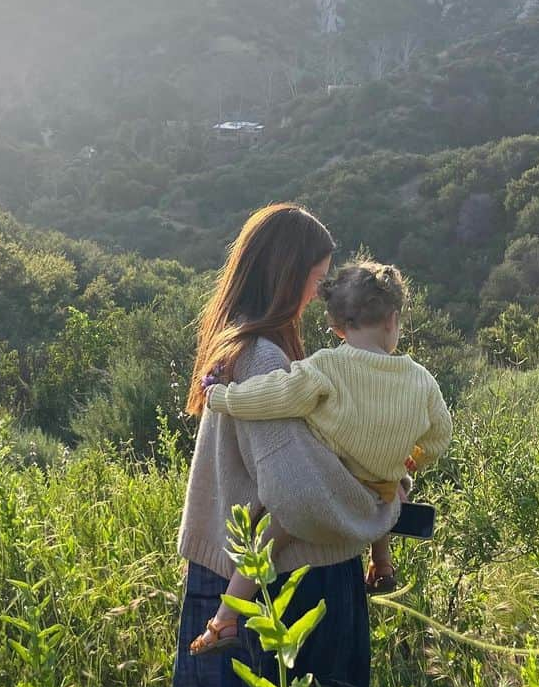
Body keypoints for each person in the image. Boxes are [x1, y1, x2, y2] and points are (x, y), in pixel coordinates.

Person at [170, 204, 399, 687]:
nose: (320, 295)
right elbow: (296, 495)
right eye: (316, 279)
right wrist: (382, 505)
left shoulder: (238, 344)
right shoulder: (265, 356)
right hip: (285, 587)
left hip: (226, 574)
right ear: (286, 272)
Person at [190, 259, 452, 657]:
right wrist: (410, 461)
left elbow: (276, 395)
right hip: (379, 485)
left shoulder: (326, 366)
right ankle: (382, 567)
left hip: (329, 485)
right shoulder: (422, 380)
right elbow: (439, 435)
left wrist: (224, 397)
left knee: (266, 541)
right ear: (392, 320)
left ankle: (224, 619)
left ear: (337, 328)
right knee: (387, 492)